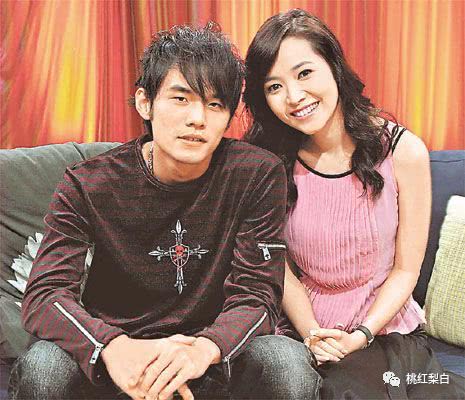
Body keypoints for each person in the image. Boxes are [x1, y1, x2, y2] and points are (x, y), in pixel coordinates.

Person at [8, 23, 321, 400]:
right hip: (119, 356)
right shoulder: (88, 183)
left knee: (285, 361)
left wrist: (205, 349)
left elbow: (258, 294)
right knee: (44, 367)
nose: (198, 119)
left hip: (208, 356)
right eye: (181, 98)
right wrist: (111, 347)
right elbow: (45, 294)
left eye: (215, 104)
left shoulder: (256, 174)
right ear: (145, 102)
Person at [243, 8, 465, 399]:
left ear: (333, 66)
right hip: (309, 331)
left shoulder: (402, 151)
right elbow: (281, 268)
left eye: (304, 73)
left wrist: (361, 334)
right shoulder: (269, 161)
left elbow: (405, 269)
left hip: (385, 330)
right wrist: (313, 334)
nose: (294, 97)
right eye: (274, 86)